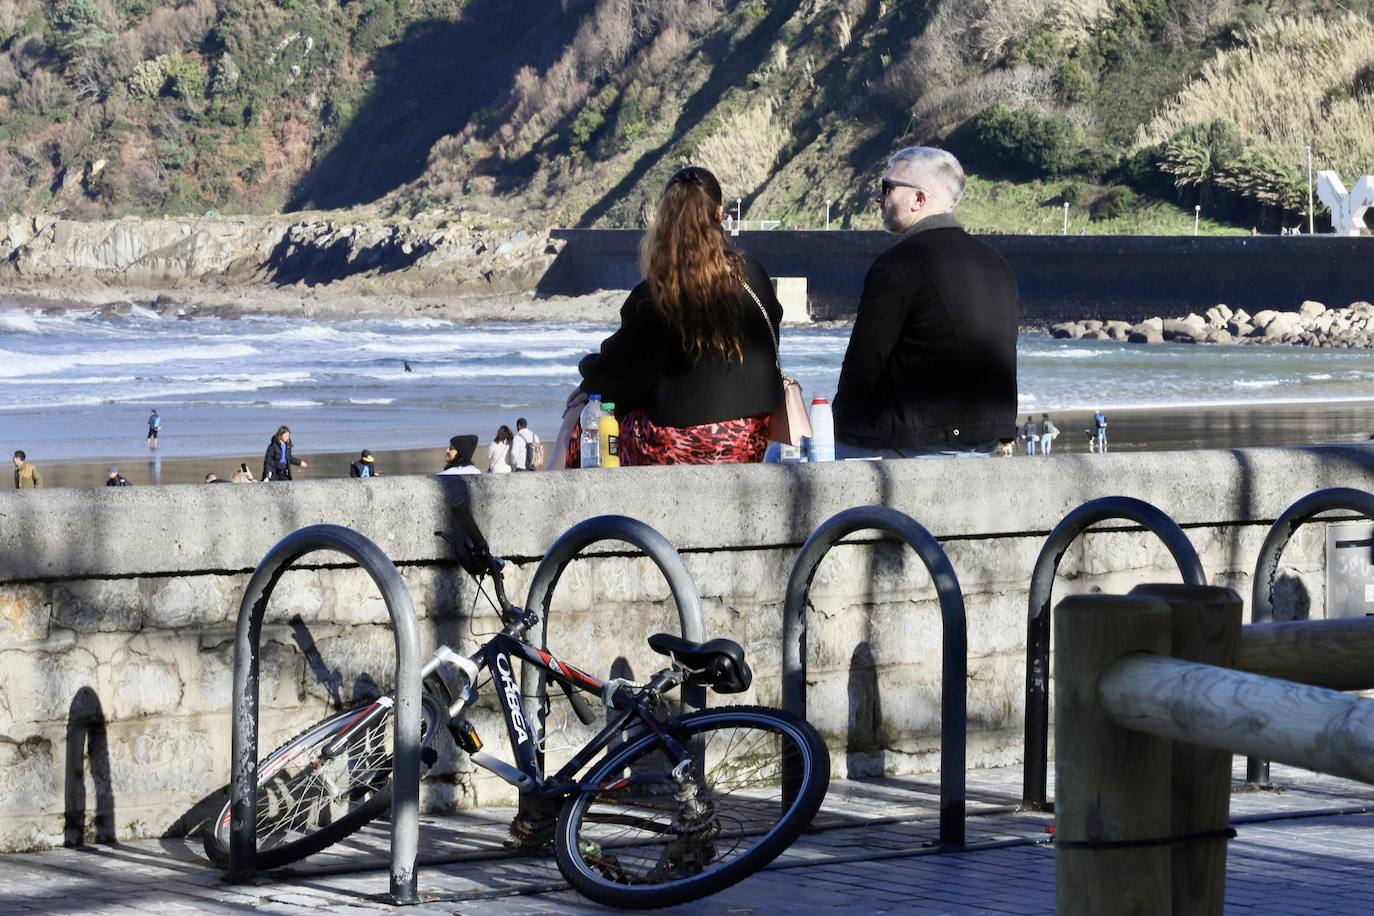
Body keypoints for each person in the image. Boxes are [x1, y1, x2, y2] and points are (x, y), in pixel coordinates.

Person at [569, 166, 783, 466]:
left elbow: (621, 367)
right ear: (719, 213)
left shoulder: (659, 292)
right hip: (749, 437)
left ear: (665, 219)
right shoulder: (753, 275)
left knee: (587, 430)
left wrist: (586, 386)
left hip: (680, 444)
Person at [833, 147, 1019, 458]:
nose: (879, 199)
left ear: (919, 199)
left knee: (799, 463)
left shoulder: (897, 265)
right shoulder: (997, 263)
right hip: (986, 436)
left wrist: (835, 422)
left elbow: (863, 366)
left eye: (887, 188)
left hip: (914, 439)